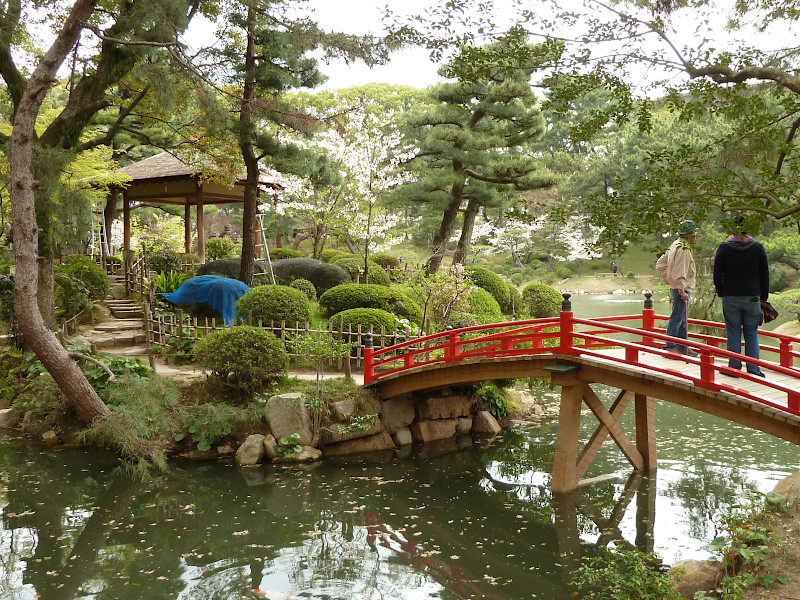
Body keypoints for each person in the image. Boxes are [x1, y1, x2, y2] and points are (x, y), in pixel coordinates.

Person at [713, 216, 769, 377]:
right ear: (748, 230)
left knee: (733, 332)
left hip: (730, 297)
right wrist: (763, 297)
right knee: (751, 333)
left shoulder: (724, 248)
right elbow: (765, 275)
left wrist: (721, 293)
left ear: (732, 230)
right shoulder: (758, 247)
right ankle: (753, 369)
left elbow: (717, 275)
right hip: (753, 297)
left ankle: (734, 368)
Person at [660, 219, 698, 357]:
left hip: (675, 286)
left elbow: (660, 264)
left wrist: (667, 278)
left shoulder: (674, 245)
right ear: (689, 234)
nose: (695, 235)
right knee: (677, 318)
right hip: (681, 288)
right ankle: (670, 346)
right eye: (694, 232)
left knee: (681, 318)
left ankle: (683, 346)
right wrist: (681, 290)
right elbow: (680, 271)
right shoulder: (683, 248)